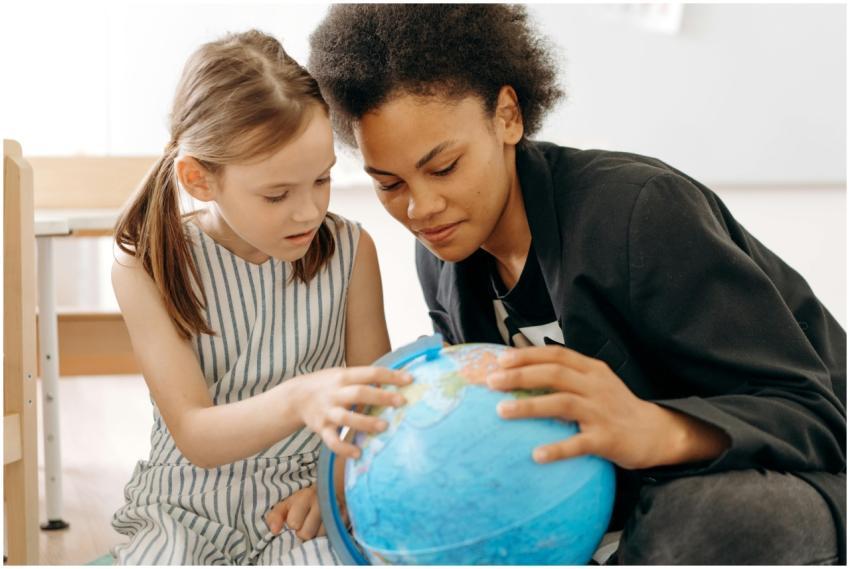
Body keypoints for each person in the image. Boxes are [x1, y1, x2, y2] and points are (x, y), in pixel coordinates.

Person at [306, 5, 846, 564]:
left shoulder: (639, 213)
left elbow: (818, 414)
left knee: (702, 519)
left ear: (508, 116)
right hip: (625, 499)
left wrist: (652, 429)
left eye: (444, 168)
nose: (421, 208)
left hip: (804, 476)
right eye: (389, 184)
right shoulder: (443, 258)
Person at [109, 29, 410, 565]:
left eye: (322, 180)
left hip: (305, 504)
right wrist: (300, 397)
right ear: (199, 179)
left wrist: (334, 488)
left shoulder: (350, 251)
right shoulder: (145, 265)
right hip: (184, 509)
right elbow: (196, 433)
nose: (308, 212)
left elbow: (372, 413)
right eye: (277, 194)